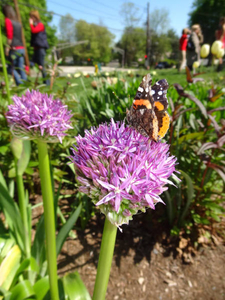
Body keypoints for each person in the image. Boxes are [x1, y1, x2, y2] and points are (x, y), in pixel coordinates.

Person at [3, 5, 27, 86]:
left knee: (11, 68)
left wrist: (7, 48)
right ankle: (25, 85)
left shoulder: (8, 20)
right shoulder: (17, 22)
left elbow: (9, 35)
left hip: (14, 48)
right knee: (21, 68)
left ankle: (19, 84)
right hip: (21, 47)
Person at [29, 10, 49, 84]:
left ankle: (47, 83)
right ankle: (32, 81)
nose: (30, 19)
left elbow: (34, 31)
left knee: (42, 66)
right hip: (36, 49)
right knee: (32, 63)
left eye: (32, 17)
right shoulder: (36, 25)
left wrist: (31, 24)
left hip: (40, 49)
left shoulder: (40, 25)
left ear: (35, 17)